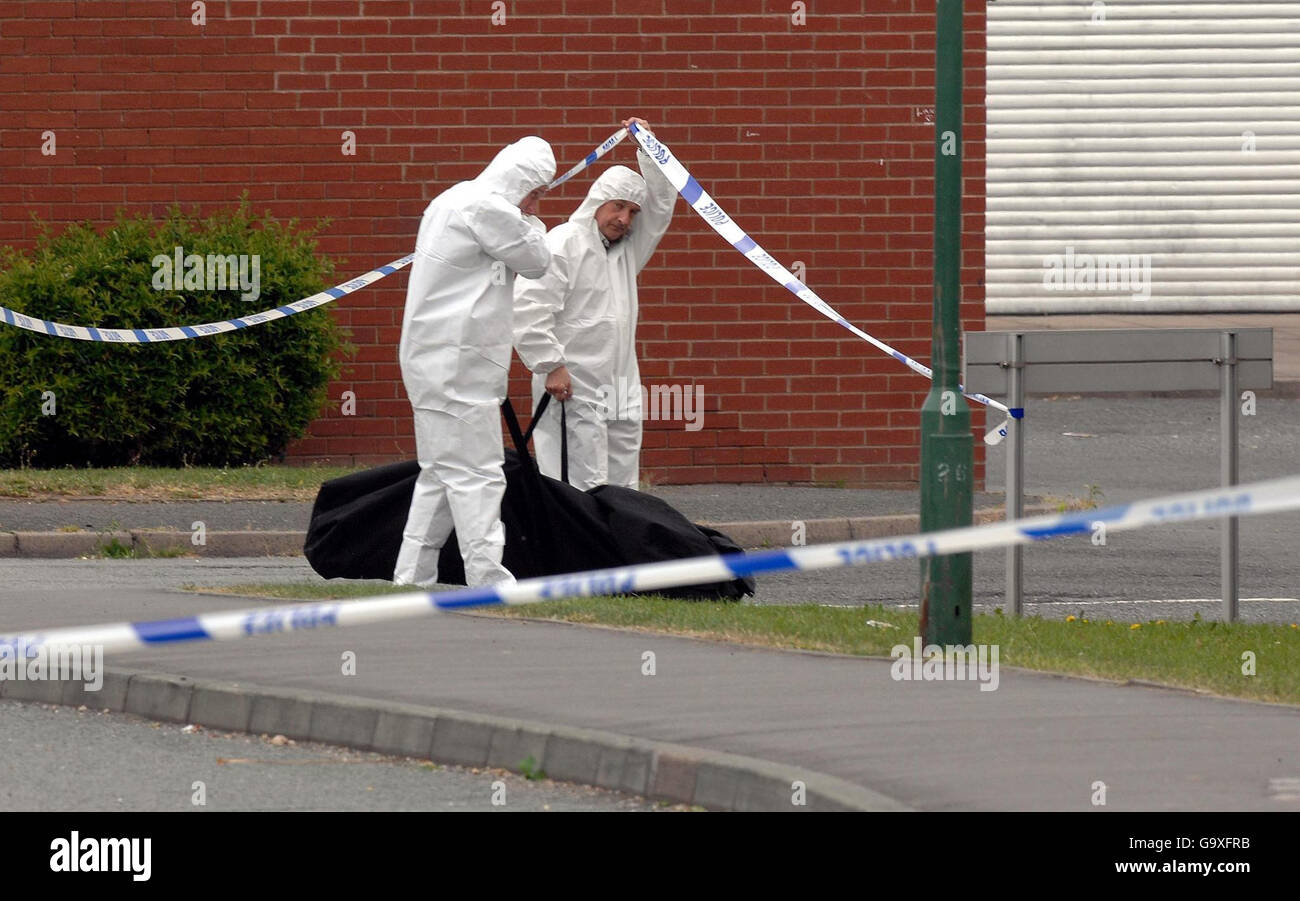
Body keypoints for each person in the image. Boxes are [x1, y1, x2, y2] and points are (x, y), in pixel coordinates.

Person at [393, 136, 555, 588]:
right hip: (459, 366)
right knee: (480, 474)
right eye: (537, 192)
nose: (535, 202)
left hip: (431, 361)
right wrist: (536, 222)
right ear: (522, 181)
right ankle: (487, 578)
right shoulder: (490, 209)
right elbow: (538, 260)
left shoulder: (451, 199)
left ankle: (411, 577)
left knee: (442, 475)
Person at [513, 117, 677, 490]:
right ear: (598, 202)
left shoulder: (624, 252)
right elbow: (529, 305)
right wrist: (550, 365)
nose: (624, 219)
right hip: (572, 382)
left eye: (632, 212)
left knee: (622, 483)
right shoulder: (565, 242)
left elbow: (663, 205)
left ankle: (616, 546)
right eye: (618, 206)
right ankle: (576, 549)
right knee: (577, 480)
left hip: (621, 382)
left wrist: (648, 148)